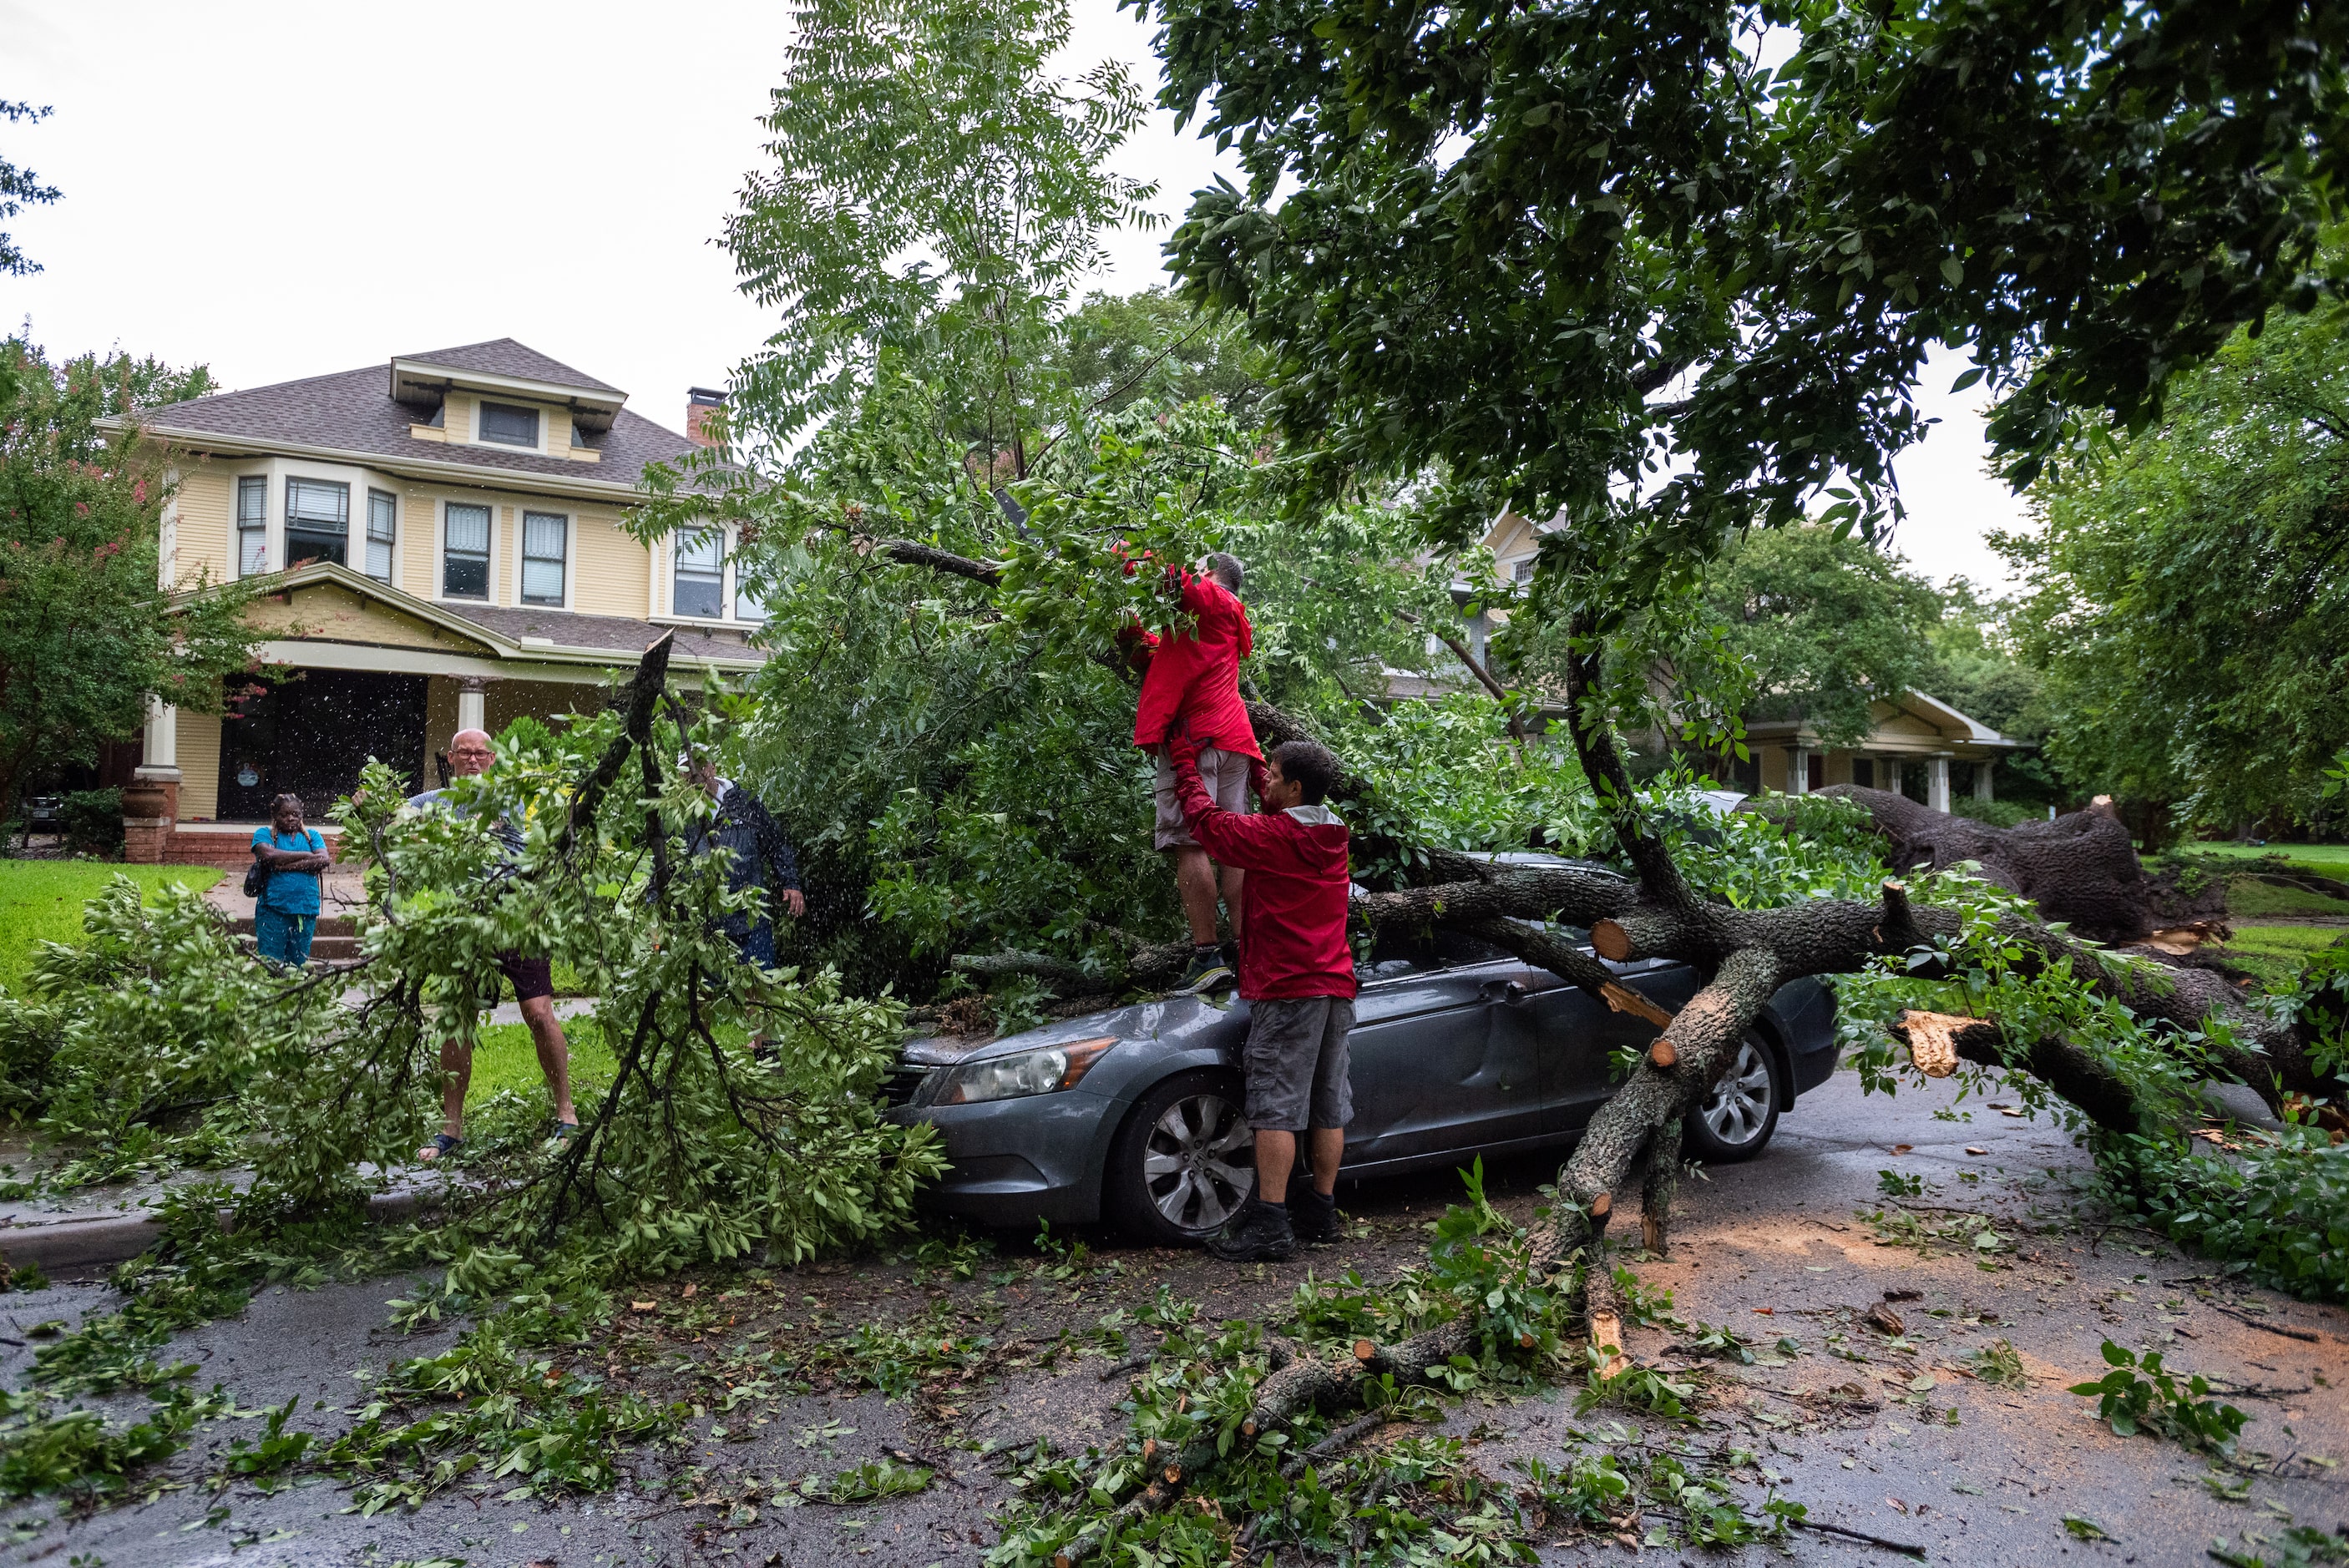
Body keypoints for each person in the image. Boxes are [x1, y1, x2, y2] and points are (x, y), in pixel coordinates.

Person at [1167, 733, 1355, 1262]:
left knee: (1275, 1107)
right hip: (1335, 987)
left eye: (1273, 775)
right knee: (1327, 1104)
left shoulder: (1274, 839)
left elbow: (1210, 827)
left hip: (1288, 987)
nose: (1265, 780)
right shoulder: (1333, 833)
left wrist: (1186, 766)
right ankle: (1320, 1211)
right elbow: (1273, 805)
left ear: (1294, 789)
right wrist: (1251, 764)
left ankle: (1271, 1222)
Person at [405, 727, 578, 1160]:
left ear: (494, 759)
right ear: (451, 758)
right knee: (458, 1020)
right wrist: (370, 808)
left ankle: (567, 1113)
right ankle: (452, 1129)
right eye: (465, 753)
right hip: (468, 926)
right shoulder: (433, 804)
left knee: (539, 1013)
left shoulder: (510, 795)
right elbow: (395, 820)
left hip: (519, 918)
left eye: (482, 753)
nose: (474, 759)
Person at [1121, 551, 1261, 993]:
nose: (1193, 574)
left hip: (1195, 740)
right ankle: (1245, 952)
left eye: (1198, 568)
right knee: (1233, 846)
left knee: (1190, 842)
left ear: (1212, 574)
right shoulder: (1215, 623)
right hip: (1234, 741)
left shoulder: (1211, 599)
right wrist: (1125, 626)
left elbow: (1157, 572)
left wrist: (1107, 555)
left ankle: (1207, 957)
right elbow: (1158, 656)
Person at [681, 753, 806, 969]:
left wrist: (790, 883)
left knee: (759, 991)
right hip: (707, 925)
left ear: (713, 768)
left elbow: (775, 842)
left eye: (700, 765)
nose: (695, 774)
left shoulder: (744, 802)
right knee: (712, 998)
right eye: (688, 770)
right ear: (681, 777)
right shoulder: (681, 816)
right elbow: (667, 863)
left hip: (752, 918)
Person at [249, 793, 331, 968]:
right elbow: (269, 855)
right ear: (275, 815)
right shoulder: (264, 834)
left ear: (302, 814)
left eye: (295, 814)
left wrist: (284, 867)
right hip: (273, 910)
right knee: (271, 963)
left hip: (304, 909)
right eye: (284, 815)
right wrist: (307, 856)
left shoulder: (313, 836)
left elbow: (323, 860)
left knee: (299, 964)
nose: (290, 819)